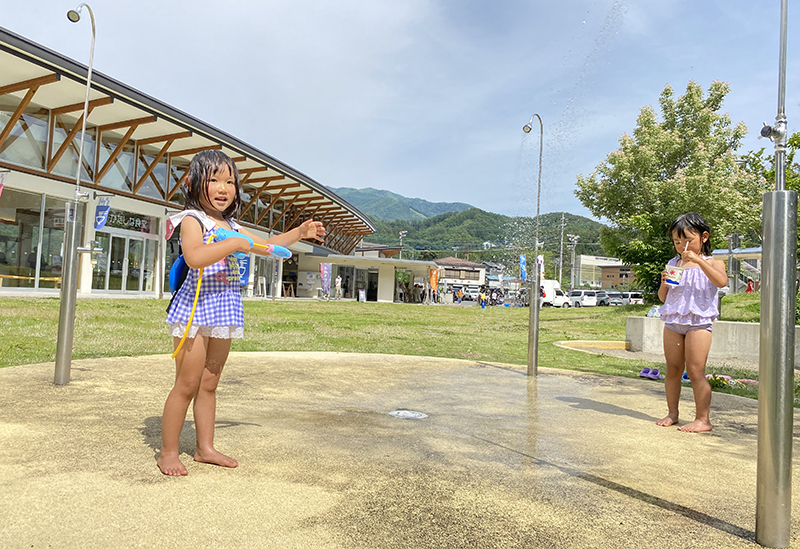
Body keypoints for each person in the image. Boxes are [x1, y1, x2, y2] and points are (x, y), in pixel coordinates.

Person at [158, 150, 325, 476]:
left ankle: (205, 448)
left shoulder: (231, 225)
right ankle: (168, 452)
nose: (223, 188)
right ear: (194, 183)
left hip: (224, 310)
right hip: (195, 310)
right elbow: (193, 257)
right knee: (187, 383)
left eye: (230, 181)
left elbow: (267, 245)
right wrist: (234, 243)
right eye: (214, 180)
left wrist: (298, 234)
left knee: (209, 383)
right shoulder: (192, 220)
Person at [656, 213, 727, 433]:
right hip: (674, 322)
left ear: (704, 237)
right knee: (673, 369)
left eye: (687, 240)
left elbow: (721, 281)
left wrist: (697, 260)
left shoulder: (713, 263)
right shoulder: (673, 263)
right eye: (677, 242)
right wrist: (664, 284)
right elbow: (663, 297)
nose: (681, 246)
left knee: (696, 370)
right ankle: (672, 413)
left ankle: (703, 419)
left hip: (699, 322)